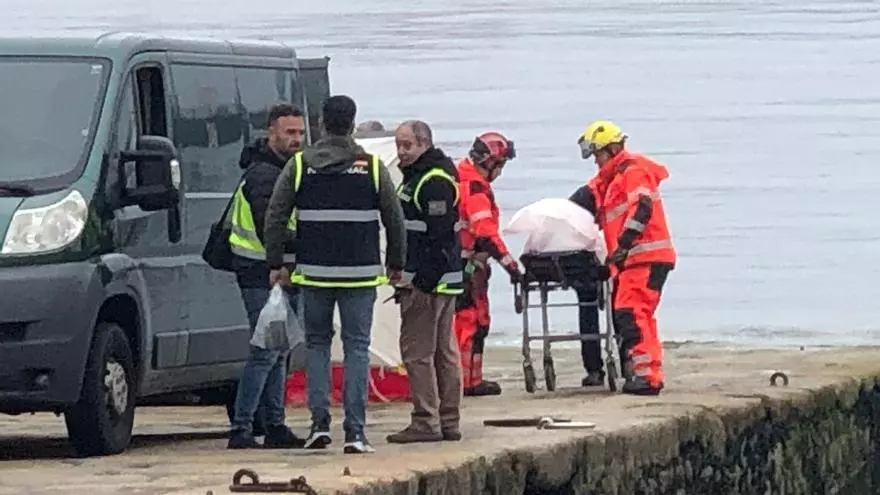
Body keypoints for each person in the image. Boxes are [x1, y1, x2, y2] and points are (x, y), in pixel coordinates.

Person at [263, 95, 407, 454]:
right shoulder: (371, 167)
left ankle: (318, 426)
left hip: (313, 274)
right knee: (357, 348)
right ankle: (356, 433)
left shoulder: (299, 165)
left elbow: (275, 216)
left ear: (322, 123)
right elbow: (395, 220)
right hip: (360, 274)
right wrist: (397, 265)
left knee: (317, 345)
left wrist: (275, 263)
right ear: (352, 122)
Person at [572, 120, 676, 396]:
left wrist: (623, 245)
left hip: (643, 256)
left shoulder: (633, 172)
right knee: (638, 315)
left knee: (632, 314)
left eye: (597, 155)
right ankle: (647, 373)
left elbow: (641, 208)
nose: (595, 161)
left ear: (612, 149)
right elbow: (590, 194)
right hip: (639, 259)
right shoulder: (613, 177)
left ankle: (647, 377)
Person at [226, 103, 306, 449]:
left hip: (278, 271)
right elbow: (268, 227)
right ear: (271, 132)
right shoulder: (264, 175)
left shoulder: (285, 170)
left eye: (301, 133)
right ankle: (242, 427)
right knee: (266, 351)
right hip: (262, 273)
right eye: (290, 133)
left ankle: (274, 424)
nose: (297, 140)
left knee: (278, 349)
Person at [386, 120, 464, 444]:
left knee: (419, 352)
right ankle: (447, 421)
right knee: (444, 352)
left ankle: (427, 421)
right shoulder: (423, 177)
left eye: (407, 145)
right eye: (398, 145)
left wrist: (421, 281)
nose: (401, 152)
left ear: (424, 144)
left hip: (428, 282)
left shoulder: (432, 182)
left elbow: (439, 236)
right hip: (440, 280)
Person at [454, 131, 523, 397]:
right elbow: (485, 233)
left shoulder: (462, 177)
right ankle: (464, 381)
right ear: (490, 162)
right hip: (467, 265)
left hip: (466, 264)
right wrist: (511, 267)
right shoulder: (474, 187)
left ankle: (470, 380)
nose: (501, 172)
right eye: (500, 165)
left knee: (476, 322)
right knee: (469, 323)